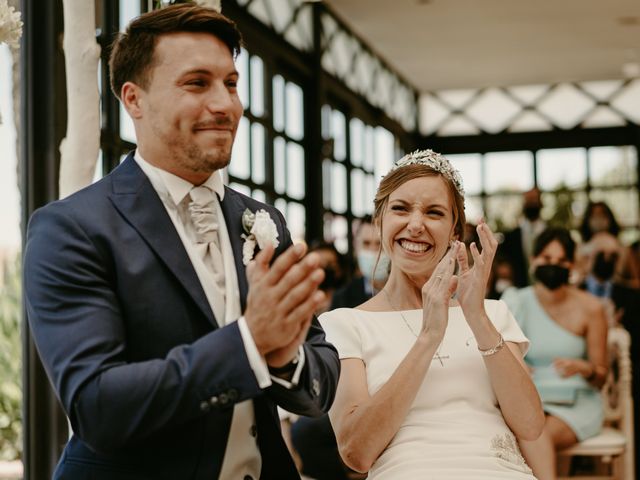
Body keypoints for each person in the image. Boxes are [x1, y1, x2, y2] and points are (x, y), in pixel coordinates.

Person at [23, 5, 339, 479]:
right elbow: (97, 406)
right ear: (134, 99)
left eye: (231, 84)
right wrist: (249, 345)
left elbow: (319, 381)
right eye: (197, 83)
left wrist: (284, 357)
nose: (226, 104)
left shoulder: (262, 220)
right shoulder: (71, 229)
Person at [320, 149, 545, 479]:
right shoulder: (345, 324)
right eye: (400, 209)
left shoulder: (492, 314)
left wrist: (477, 319)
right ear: (379, 220)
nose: (415, 225)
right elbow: (356, 452)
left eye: (434, 213)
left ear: (455, 232)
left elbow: (531, 425)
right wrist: (428, 337)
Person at [502, 227, 608, 480]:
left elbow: (601, 375)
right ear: (533, 260)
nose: (553, 266)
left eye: (561, 261)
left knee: (537, 435)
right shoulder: (517, 301)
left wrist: (586, 368)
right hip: (529, 398)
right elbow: (502, 351)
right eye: (547, 259)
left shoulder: (591, 308)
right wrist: (517, 365)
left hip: (577, 402)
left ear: (571, 265)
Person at [577, 201, 640, 288]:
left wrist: (620, 283)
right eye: (594, 215)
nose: (598, 219)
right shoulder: (580, 249)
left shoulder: (623, 249)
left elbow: (636, 282)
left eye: (602, 215)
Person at [330, 215, 388, 309]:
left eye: (380, 244)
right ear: (356, 248)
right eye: (366, 243)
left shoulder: (411, 293)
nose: (373, 251)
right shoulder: (342, 298)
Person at [499, 188, 547, 288]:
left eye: (534, 200)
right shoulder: (511, 236)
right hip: (520, 288)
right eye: (528, 201)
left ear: (540, 203)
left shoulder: (550, 233)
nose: (531, 204)